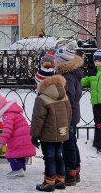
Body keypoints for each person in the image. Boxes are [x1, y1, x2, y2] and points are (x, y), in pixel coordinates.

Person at [31, 60, 71, 191]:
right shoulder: (63, 93)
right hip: (62, 131)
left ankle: (49, 182)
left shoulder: (41, 98)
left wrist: (34, 136)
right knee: (58, 155)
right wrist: (65, 127)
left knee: (49, 157)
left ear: (41, 82)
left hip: (48, 134)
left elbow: (38, 119)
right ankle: (60, 180)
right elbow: (69, 112)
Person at [55, 42, 84, 186]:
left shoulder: (67, 77)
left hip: (68, 114)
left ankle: (70, 172)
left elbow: (67, 98)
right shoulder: (72, 74)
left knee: (68, 144)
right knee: (71, 142)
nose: (54, 61)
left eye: (56, 59)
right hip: (73, 113)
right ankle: (75, 170)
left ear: (62, 61)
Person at [0, 92, 36, 178]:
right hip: (22, 137)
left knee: (12, 154)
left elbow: (7, 130)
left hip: (18, 139)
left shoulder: (8, 115)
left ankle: (17, 170)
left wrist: (2, 142)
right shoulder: (13, 112)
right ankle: (21, 168)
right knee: (20, 154)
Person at [81, 49, 101, 153]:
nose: (97, 62)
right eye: (95, 60)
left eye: (99, 60)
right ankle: (98, 143)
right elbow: (84, 81)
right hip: (96, 103)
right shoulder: (92, 72)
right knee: (98, 123)